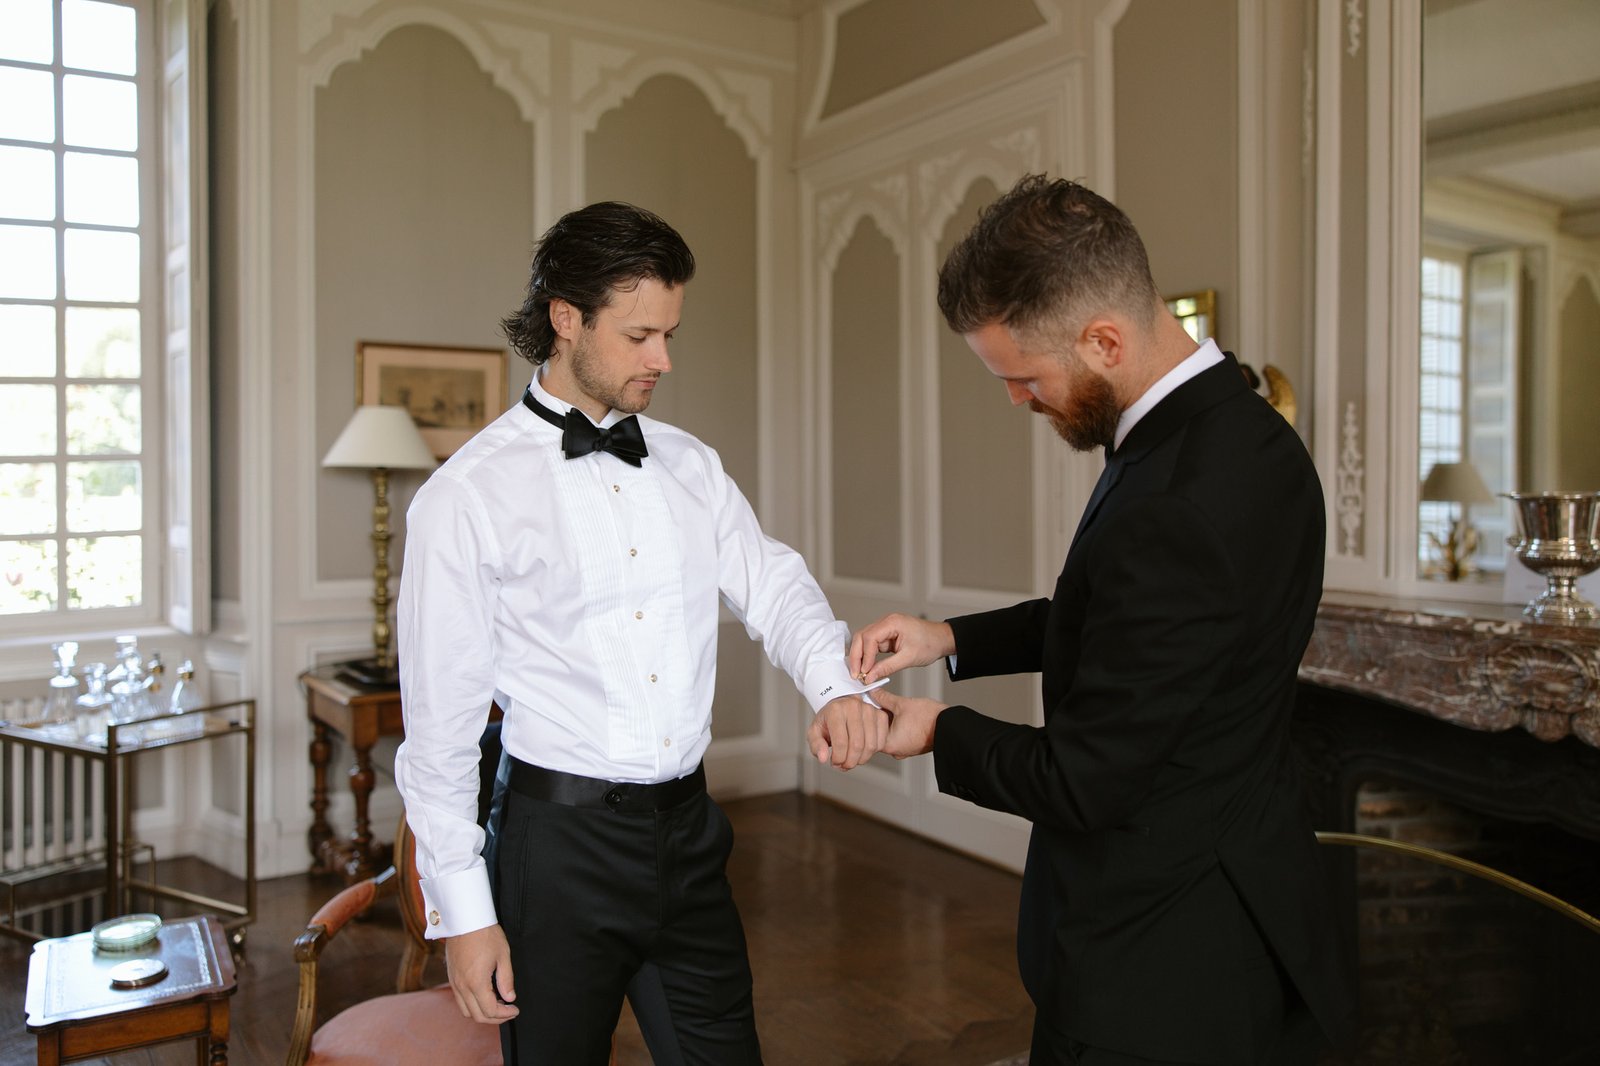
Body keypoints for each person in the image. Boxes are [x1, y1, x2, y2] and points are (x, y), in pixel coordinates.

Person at [831, 175, 1356, 1065]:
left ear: (1103, 339)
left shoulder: (1181, 498)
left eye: (1023, 377)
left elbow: (1084, 781)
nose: (1016, 400)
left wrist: (932, 734)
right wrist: (952, 638)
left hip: (1163, 958)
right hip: (1232, 882)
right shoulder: (1246, 435)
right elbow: (1129, 625)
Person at [394, 200, 887, 1065]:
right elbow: (441, 733)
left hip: (691, 838)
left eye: (671, 334)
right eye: (639, 336)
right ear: (566, 318)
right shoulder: (466, 498)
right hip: (556, 853)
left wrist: (835, 683)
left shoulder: (692, 465)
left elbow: (773, 585)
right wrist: (464, 917)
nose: (663, 358)